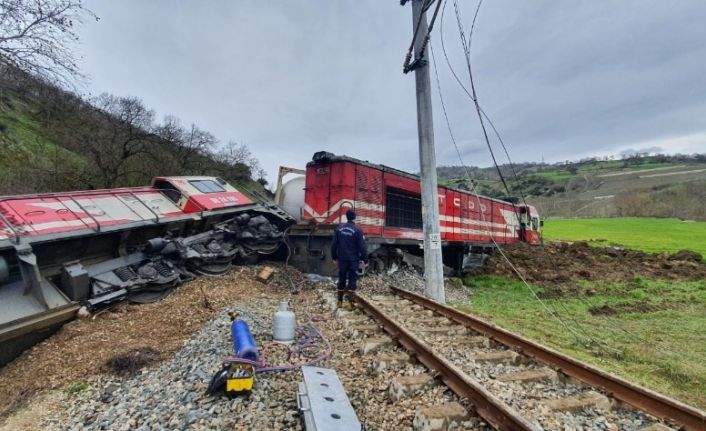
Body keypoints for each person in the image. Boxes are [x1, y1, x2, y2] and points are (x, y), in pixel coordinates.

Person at [331, 209, 368, 309]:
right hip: (353, 260)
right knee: (352, 280)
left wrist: (334, 257)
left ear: (346, 217)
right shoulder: (358, 230)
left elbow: (334, 245)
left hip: (342, 260)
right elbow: (362, 247)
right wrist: (365, 260)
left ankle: (339, 302)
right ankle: (351, 304)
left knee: (341, 279)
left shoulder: (339, 229)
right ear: (354, 218)